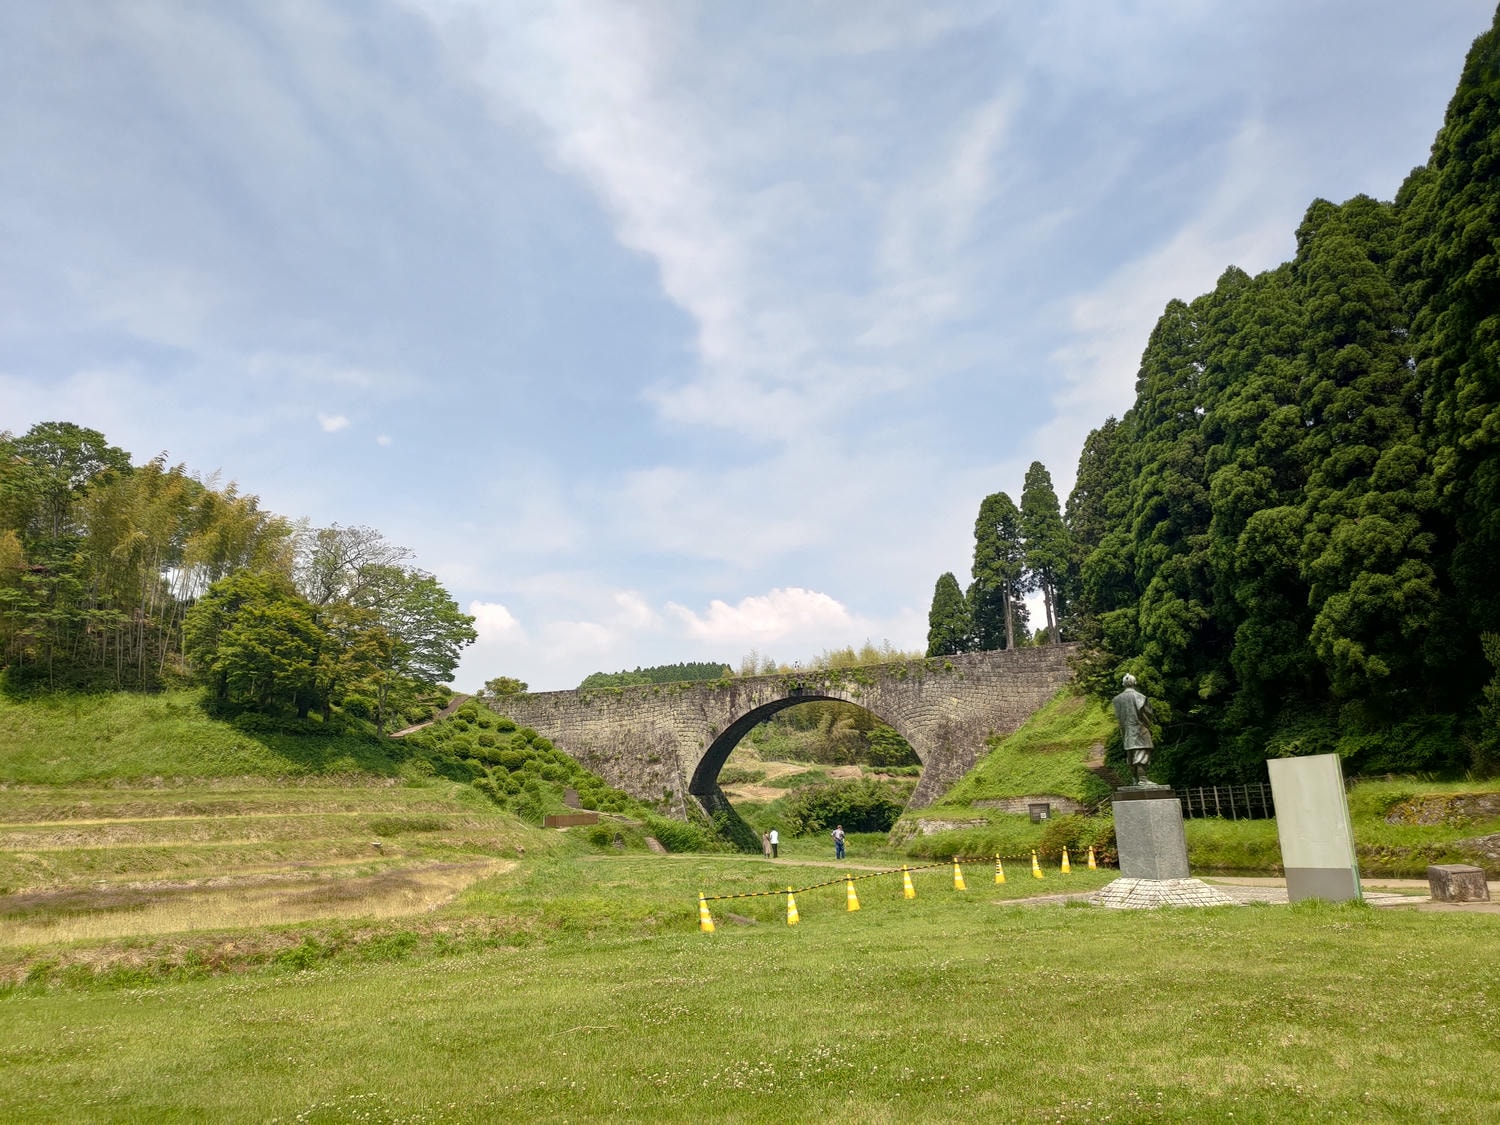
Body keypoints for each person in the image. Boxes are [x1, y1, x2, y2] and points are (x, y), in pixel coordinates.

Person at [1111, 672, 1158, 785]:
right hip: (1140, 730)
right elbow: (1148, 714)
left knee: (1131, 756)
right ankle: (1143, 779)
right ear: (1134, 683)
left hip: (1126, 731)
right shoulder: (1140, 697)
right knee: (1142, 754)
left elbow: (1118, 716)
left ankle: (1134, 780)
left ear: (1123, 684)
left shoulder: (1117, 700)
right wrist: (1145, 725)